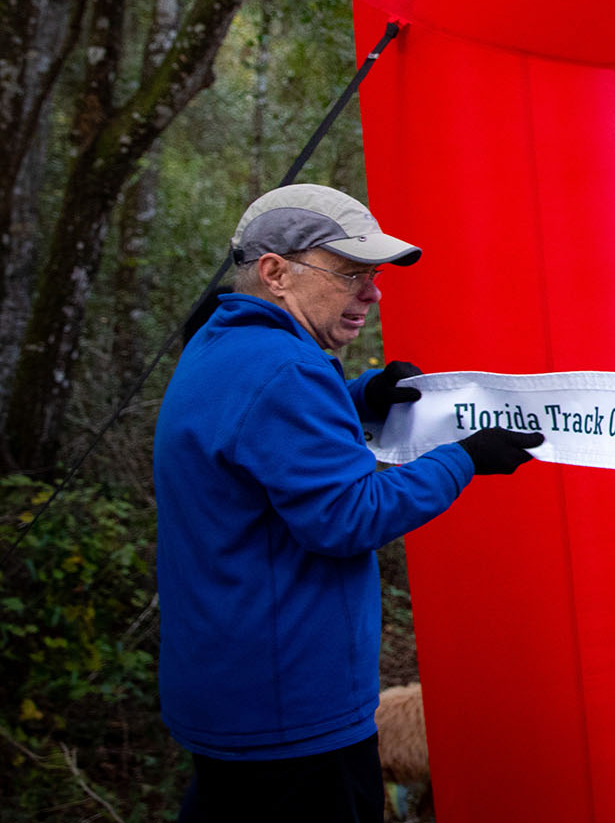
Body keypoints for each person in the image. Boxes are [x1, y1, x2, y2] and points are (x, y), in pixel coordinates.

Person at [154, 184, 544, 823]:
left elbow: (255, 441)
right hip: (293, 711)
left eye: (375, 275)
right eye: (351, 273)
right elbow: (349, 516)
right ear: (275, 272)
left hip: (227, 694)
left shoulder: (222, 345)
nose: (373, 293)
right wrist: (465, 458)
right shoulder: (287, 370)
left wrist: (363, 398)